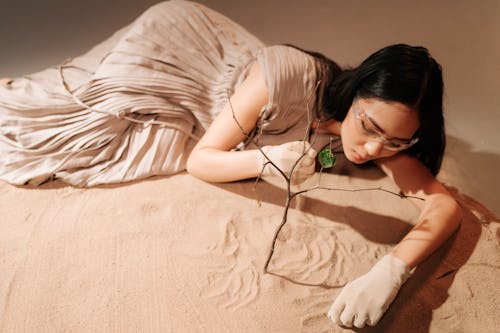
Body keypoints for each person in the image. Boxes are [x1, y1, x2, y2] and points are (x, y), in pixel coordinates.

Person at [0, 0, 461, 329]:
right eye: (369, 125)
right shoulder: (289, 77)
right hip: (180, 54)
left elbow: (443, 208)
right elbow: (200, 161)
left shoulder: (385, 142)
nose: (375, 150)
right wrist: (265, 160)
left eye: (395, 141)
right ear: (358, 90)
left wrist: (393, 270)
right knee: (57, 125)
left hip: (216, 116)